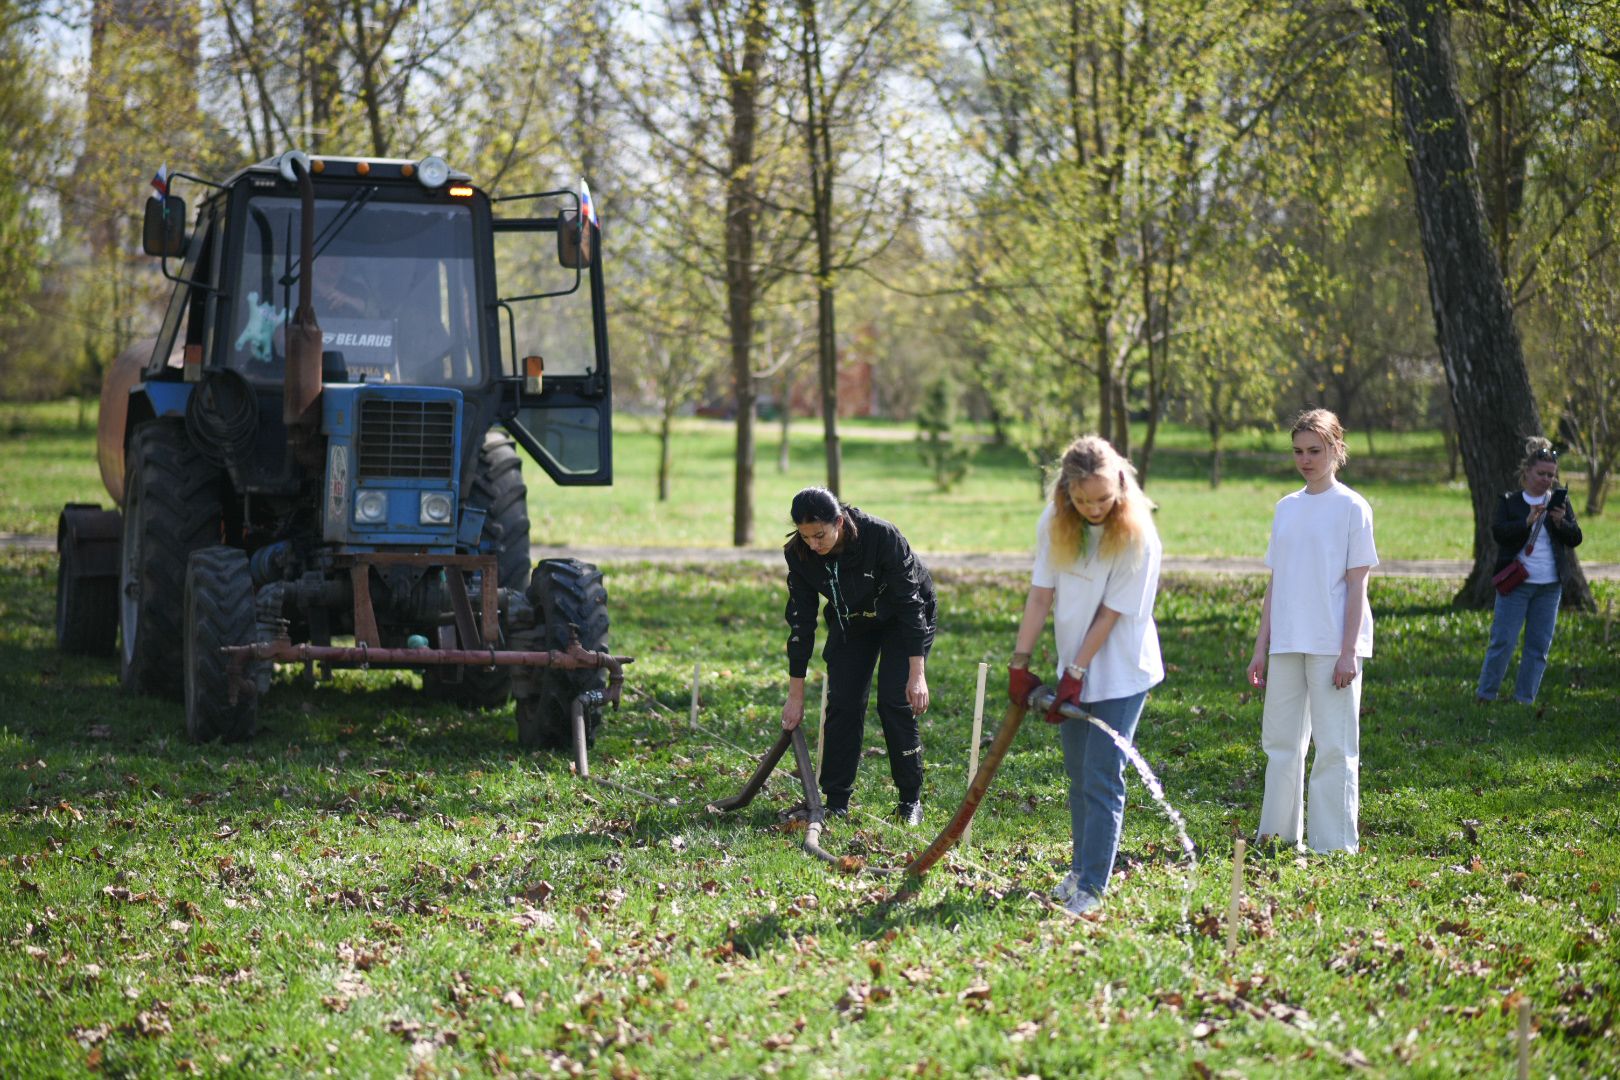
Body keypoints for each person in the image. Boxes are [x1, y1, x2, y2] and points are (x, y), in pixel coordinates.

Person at [1007, 435, 1163, 917]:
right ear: (1065, 493)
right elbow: (1040, 595)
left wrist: (1077, 672)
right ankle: (1079, 868)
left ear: (1119, 484)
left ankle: (1093, 887)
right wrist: (1021, 661)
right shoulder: (1055, 523)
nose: (1093, 508)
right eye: (1081, 500)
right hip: (1071, 666)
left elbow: (1111, 615)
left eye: (1102, 499)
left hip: (1119, 670)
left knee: (1101, 775)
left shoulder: (1139, 535)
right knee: (1077, 775)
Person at [1247, 408, 1377, 855]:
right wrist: (1260, 647)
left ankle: (1334, 844)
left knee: (1335, 748)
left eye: (1315, 451)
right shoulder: (1287, 508)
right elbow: (1276, 582)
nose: (1305, 460)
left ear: (1336, 449)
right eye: (1299, 451)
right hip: (1286, 642)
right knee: (1281, 743)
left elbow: (1358, 584)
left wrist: (1348, 652)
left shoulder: (1352, 507)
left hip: (1332, 645)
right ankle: (1278, 837)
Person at [781, 487, 936, 826]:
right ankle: (836, 801)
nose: (814, 544)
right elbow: (801, 623)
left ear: (839, 521)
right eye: (805, 536)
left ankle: (910, 801)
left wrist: (917, 673)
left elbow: (911, 605)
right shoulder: (800, 554)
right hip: (853, 619)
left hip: (903, 617)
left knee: (895, 702)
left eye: (820, 535)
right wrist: (796, 696)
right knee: (844, 702)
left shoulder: (881, 536)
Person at [1476, 438, 1583, 705]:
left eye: (1551, 475)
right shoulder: (1511, 501)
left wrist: (1560, 522)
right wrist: (1526, 521)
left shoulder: (1560, 502)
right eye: (1541, 474)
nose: (1547, 480)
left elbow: (1575, 537)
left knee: (1538, 647)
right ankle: (1486, 695)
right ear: (1527, 472)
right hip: (1516, 583)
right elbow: (1500, 534)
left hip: (1550, 586)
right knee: (1503, 642)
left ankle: (1524, 699)